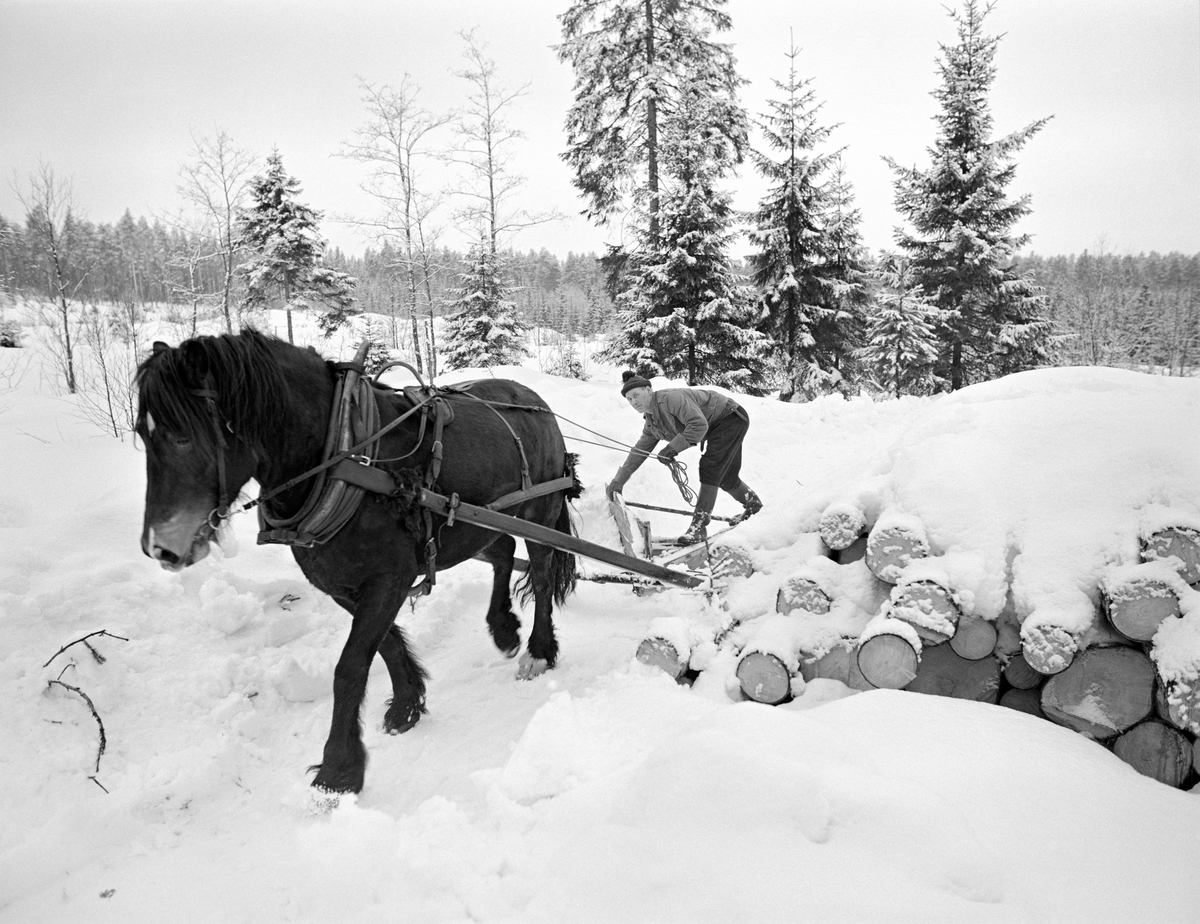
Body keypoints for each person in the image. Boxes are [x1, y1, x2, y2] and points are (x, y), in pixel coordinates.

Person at [605, 371, 763, 545]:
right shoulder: (652, 423)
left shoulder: (671, 400)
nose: (633, 402)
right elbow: (639, 452)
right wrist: (618, 482)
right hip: (719, 425)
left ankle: (698, 528)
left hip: (730, 417)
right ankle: (754, 506)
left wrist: (672, 448)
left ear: (648, 390)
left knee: (711, 467)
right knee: (726, 477)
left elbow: (698, 425)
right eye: (629, 399)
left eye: (636, 395)